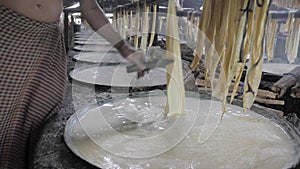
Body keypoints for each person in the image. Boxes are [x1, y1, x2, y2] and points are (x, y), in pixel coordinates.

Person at [0, 0, 146, 168]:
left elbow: (90, 8)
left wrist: (125, 49)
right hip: (8, 33)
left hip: (47, 42)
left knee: (35, 121)